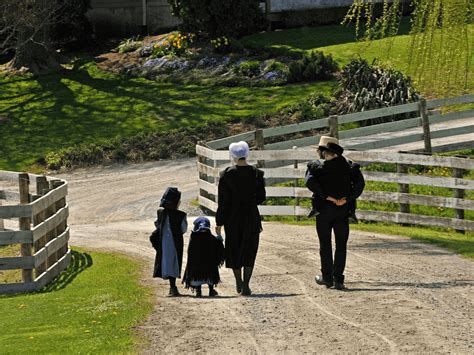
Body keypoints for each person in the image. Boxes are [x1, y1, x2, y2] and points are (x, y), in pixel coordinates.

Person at [305, 136, 365, 290]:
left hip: (324, 209)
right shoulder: (349, 166)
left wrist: (326, 196)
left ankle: (327, 277)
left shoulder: (316, 167)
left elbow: (310, 182)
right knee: (341, 245)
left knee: (325, 244)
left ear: (323, 151)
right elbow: (360, 184)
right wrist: (348, 198)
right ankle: (338, 279)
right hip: (343, 209)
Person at [216, 141, 266, 296]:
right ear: (246, 154)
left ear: (232, 155)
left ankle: (238, 281)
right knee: (250, 249)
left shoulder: (226, 174)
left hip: (232, 217)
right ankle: (246, 284)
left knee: (234, 248)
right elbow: (261, 198)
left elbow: (223, 201)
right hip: (251, 215)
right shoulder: (257, 173)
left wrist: (219, 222)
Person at [149, 187, 187, 297]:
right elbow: (183, 229)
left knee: (167, 263)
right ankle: (173, 287)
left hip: (164, 243)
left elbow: (157, 225)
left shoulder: (161, 213)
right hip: (175, 243)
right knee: (174, 263)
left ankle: (172, 287)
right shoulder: (181, 215)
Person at [183, 217, 225, 297]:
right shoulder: (212, 238)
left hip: (197, 267)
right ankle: (211, 290)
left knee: (197, 275)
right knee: (211, 272)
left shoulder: (194, 238)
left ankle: (198, 291)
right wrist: (219, 238)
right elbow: (219, 249)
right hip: (209, 268)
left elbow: (190, 252)